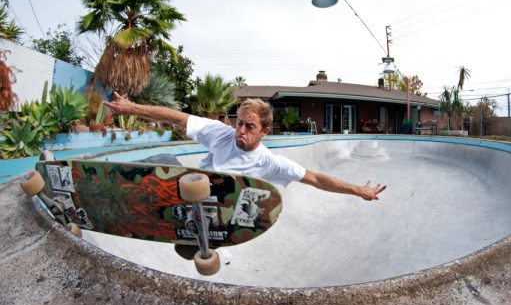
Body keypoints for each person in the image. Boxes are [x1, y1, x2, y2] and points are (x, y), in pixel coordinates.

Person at [103, 93, 386, 201]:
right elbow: (177, 117)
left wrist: (357, 190)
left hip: (218, 203)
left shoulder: (270, 162)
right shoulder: (220, 133)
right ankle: (110, 184)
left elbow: (315, 178)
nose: (240, 131)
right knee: (165, 157)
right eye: (239, 123)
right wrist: (131, 107)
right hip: (188, 188)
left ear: (264, 132)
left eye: (249, 127)